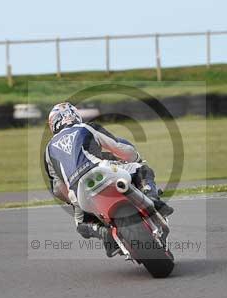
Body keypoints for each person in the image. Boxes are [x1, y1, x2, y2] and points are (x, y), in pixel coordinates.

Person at [44, 102, 173, 256]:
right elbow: (120, 147)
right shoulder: (86, 128)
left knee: (80, 224)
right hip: (101, 171)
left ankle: (102, 232)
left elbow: (58, 188)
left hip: (78, 191)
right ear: (75, 115)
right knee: (142, 169)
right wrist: (136, 158)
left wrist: (72, 199)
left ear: (53, 123)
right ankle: (153, 200)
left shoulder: (48, 149)